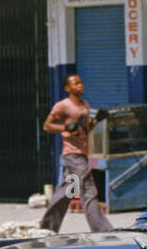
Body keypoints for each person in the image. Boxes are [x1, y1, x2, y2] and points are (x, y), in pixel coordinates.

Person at [40, 74, 113, 232]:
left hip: (82, 152)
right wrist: (65, 128)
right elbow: (47, 126)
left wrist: (97, 120)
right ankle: (102, 229)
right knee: (89, 189)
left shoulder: (84, 105)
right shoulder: (62, 106)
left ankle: (47, 226)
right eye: (76, 83)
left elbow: (85, 130)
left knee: (67, 190)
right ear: (67, 88)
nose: (80, 85)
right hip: (72, 154)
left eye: (80, 82)